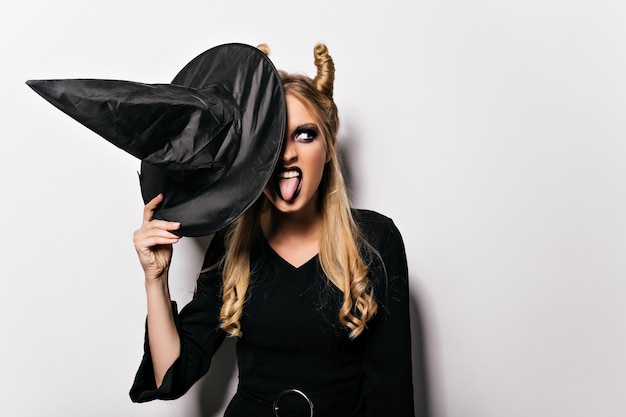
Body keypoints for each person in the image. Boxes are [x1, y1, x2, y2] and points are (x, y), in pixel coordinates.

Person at [130, 43, 416, 417]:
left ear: (329, 147)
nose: (286, 154)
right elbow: (171, 374)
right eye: (272, 139)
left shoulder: (376, 240)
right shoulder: (233, 242)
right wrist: (156, 278)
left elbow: (392, 391)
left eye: (305, 135)